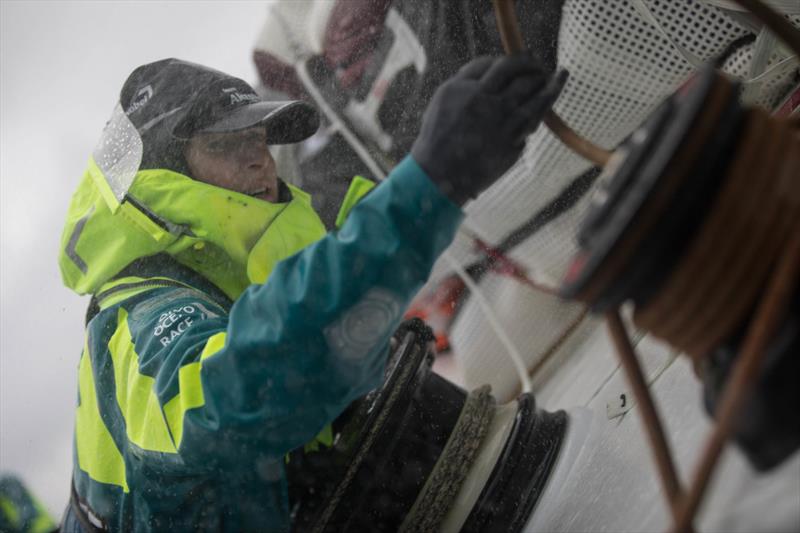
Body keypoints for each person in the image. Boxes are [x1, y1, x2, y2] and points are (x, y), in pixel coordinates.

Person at [57, 55, 564, 531]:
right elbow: (236, 393)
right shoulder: (137, 315)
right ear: (164, 172)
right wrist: (425, 188)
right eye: (224, 144)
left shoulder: (227, 285)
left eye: (259, 141)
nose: (260, 161)